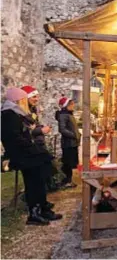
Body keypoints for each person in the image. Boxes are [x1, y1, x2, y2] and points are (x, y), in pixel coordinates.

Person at [1, 87, 62, 225]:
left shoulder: (15, 113)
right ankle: (34, 213)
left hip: (26, 152)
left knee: (41, 175)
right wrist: (31, 146)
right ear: (19, 100)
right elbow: (14, 138)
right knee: (34, 181)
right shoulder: (8, 114)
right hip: (22, 155)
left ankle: (42, 207)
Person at [21, 86, 60, 194]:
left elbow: (34, 126)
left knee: (43, 174)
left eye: (37, 96)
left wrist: (40, 127)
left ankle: (43, 199)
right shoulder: (22, 113)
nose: (37, 99)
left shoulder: (32, 110)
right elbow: (26, 131)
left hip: (38, 146)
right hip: (32, 149)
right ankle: (37, 205)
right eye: (34, 96)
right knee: (35, 179)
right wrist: (41, 130)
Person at [58, 97, 80, 188]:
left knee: (71, 162)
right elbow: (62, 129)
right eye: (71, 104)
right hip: (68, 143)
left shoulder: (69, 114)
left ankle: (70, 180)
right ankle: (67, 180)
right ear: (66, 105)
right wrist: (74, 135)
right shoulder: (63, 115)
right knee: (68, 162)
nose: (73, 105)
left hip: (72, 143)